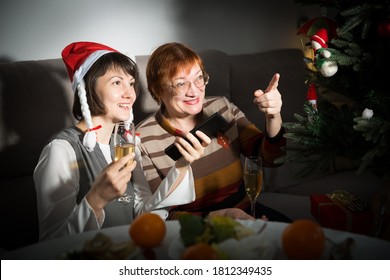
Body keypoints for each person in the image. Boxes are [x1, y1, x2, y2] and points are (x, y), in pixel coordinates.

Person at [34, 41, 211, 241]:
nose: (130, 94)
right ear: (89, 87)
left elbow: (143, 212)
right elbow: (50, 246)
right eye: (117, 82)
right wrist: (96, 199)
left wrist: (181, 165)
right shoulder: (61, 150)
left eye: (132, 83)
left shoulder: (127, 144)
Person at [136, 42, 291, 221]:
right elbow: (161, 215)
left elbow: (271, 159)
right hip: (194, 227)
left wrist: (273, 117)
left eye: (198, 78)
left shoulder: (223, 107)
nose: (194, 91)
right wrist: (215, 217)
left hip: (247, 212)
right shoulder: (143, 139)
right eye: (180, 84)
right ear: (158, 90)